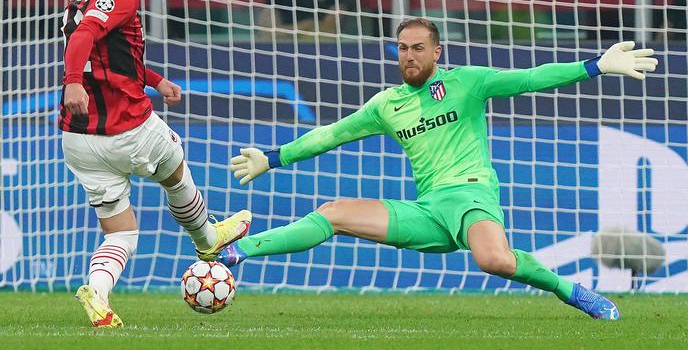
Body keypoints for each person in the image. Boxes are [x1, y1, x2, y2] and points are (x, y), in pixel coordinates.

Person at [222, 18, 658, 320]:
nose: (408, 56)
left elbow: (530, 78)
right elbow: (330, 135)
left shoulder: (467, 82)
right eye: (402, 48)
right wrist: (273, 157)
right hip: (429, 210)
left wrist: (595, 66)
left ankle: (572, 292)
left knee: (494, 261)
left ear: (436, 51)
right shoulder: (387, 105)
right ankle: (238, 252)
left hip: (471, 196)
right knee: (334, 212)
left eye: (417, 48)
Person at [59, 0, 251, 328]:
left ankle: (98, 292)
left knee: (122, 234)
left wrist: (156, 80)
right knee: (175, 164)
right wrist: (72, 80)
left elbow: (110, 53)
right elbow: (86, 36)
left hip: (78, 138)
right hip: (126, 129)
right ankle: (208, 240)